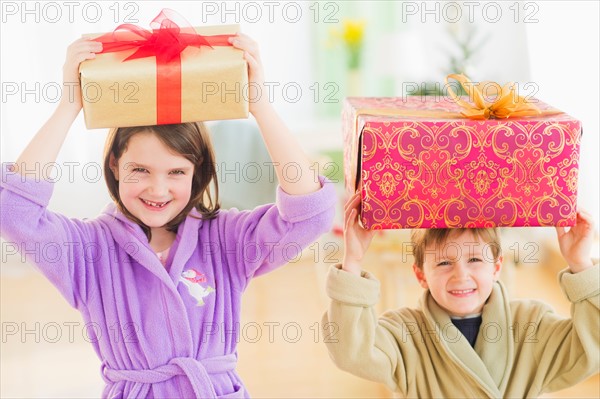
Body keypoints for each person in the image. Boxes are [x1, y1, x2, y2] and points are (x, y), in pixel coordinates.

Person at [0, 34, 336, 398]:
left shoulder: (227, 239)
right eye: (140, 170)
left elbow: (308, 214)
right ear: (115, 164)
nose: (157, 190)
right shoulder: (89, 250)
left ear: (197, 172)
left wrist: (261, 107)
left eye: (175, 172)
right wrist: (69, 105)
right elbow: (14, 210)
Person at [322, 191, 599, 398]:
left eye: (475, 260)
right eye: (443, 263)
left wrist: (580, 263)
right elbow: (351, 352)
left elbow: (592, 348)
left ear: (497, 267)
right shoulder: (404, 332)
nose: (461, 275)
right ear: (420, 274)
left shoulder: (532, 323)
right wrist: (353, 261)